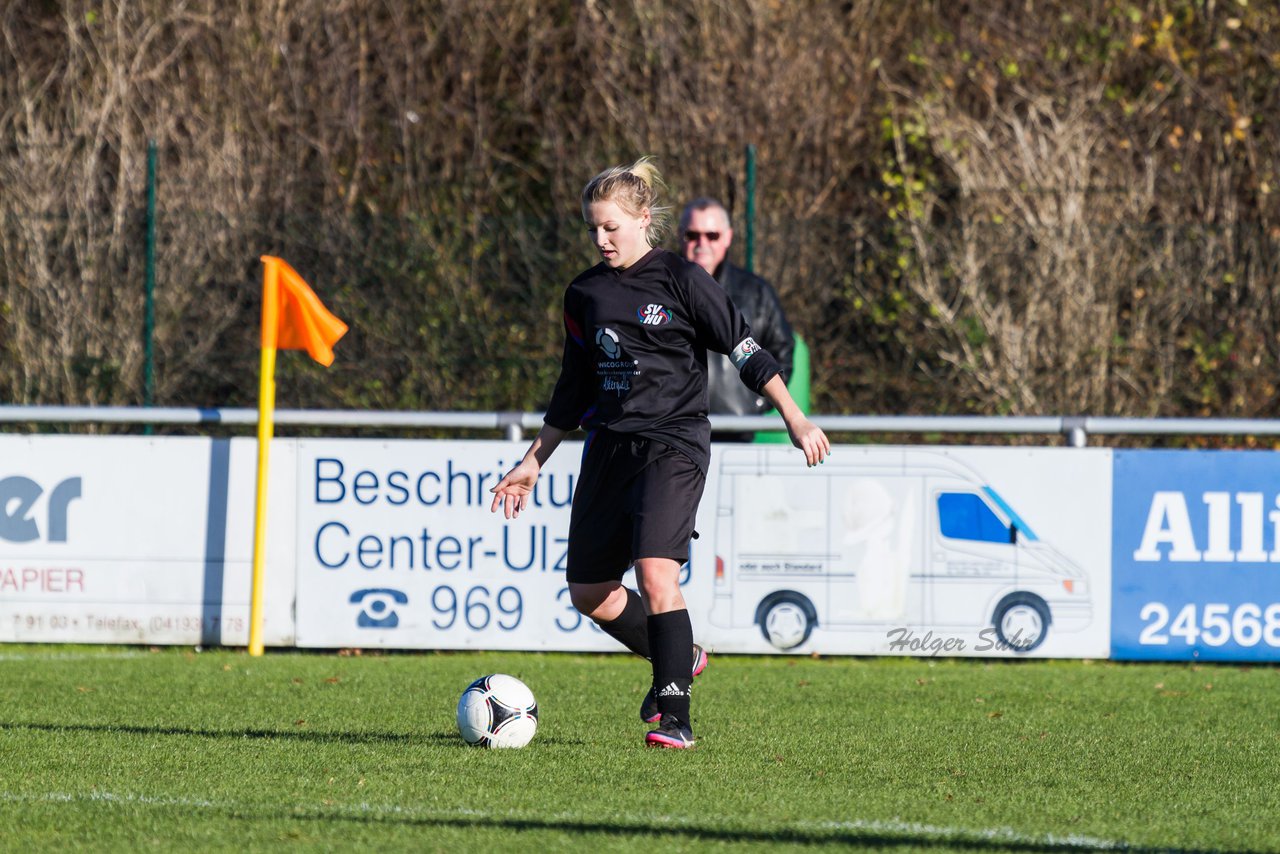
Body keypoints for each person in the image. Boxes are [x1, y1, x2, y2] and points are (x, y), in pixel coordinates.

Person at [489, 157, 830, 749]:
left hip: (673, 442)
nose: (601, 239)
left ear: (643, 219)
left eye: (611, 228)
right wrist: (533, 461)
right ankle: (681, 655)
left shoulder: (682, 279)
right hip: (608, 449)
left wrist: (793, 416)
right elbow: (572, 388)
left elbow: (746, 348)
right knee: (589, 592)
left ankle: (676, 718)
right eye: (593, 228)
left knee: (655, 572)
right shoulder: (584, 294)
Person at [680, 198, 796, 441]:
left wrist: (756, 402)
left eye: (712, 235)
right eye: (693, 235)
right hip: (676, 433)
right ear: (681, 236)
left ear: (728, 237)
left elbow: (782, 352)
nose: (702, 244)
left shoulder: (756, 292)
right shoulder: (660, 288)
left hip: (735, 433)